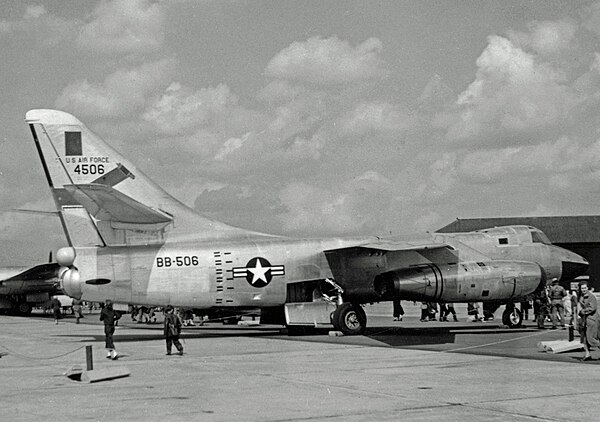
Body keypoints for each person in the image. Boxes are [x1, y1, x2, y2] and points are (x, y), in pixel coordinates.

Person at [578, 280, 599, 361]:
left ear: (587, 288)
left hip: (591, 319)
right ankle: (587, 355)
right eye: (582, 288)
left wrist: (582, 311)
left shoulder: (591, 296)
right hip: (584, 320)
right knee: (585, 339)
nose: (583, 289)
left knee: (592, 339)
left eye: (585, 288)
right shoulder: (582, 296)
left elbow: (593, 308)